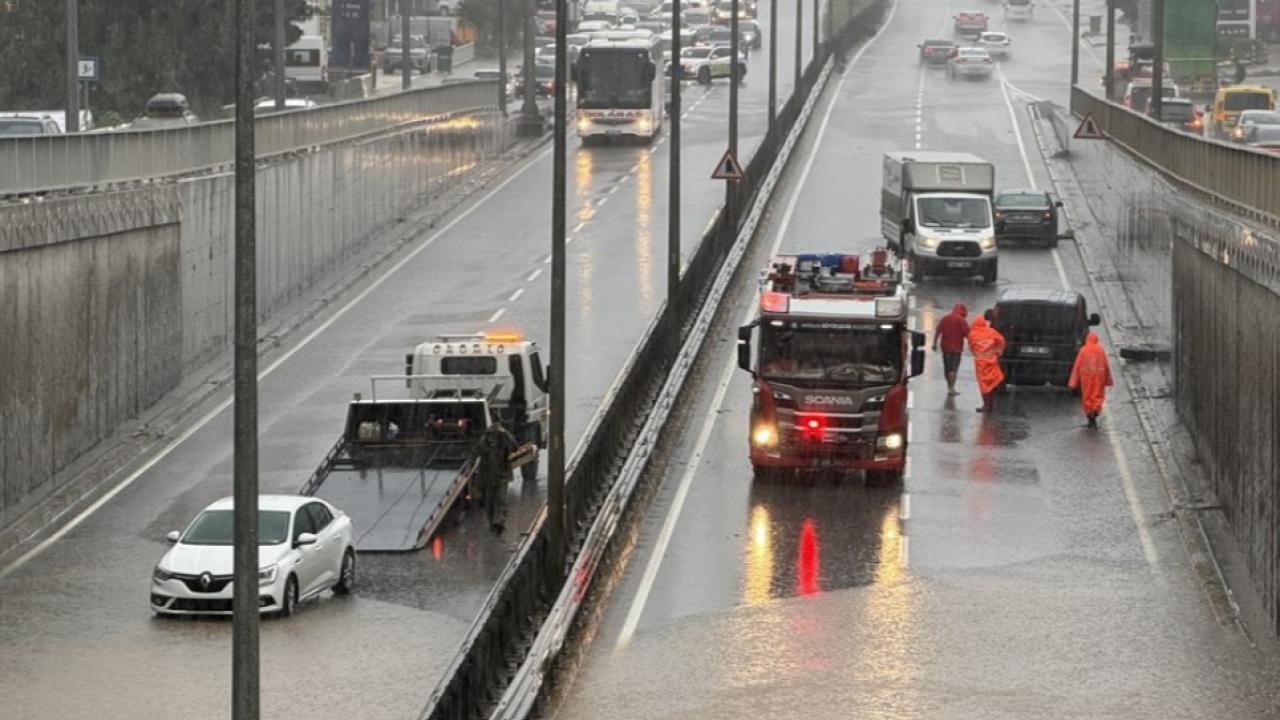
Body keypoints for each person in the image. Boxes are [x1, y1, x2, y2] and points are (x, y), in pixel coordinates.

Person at [477, 420, 518, 533]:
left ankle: (499, 522)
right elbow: (478, 450)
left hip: (502, 476)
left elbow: (515, 446)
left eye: (496, 434)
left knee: (501, 500)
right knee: (489, 502)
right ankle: (492, 523)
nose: (493, 437)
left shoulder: (504, 440)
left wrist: (505, 433)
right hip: (488, 476)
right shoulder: (484, 441)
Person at [1068, 332, 1114, 429]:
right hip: (1098, 376)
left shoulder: (1083, 350)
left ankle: (1090, 417)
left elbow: (1077, 367)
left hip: (1086, 377)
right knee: (1097, 394)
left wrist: (1073, 382)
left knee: (1087, 395)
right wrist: (1107, 379)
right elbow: (1105, 365)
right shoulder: (1100, 350)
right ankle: (1095, 411)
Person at [968, 314, 1006, 413]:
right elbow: (1001, 340)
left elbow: (971, 347)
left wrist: (976, 354)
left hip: (980, 363)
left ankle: (986, 405)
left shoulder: (972, 334)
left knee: (983, 384)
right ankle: (991, 405)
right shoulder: (991, 332)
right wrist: (998, 351)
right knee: (991, 383)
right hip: (991, 361)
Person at [932, 303, 969, 395]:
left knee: (947, 368)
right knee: (953, 369)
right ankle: (952, 388)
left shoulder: (945, 318)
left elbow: (938, 330)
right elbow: (967, 333)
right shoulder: (961, 320)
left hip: (945, 348)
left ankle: (949, 386)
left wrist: (934, 343)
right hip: (957, 349)